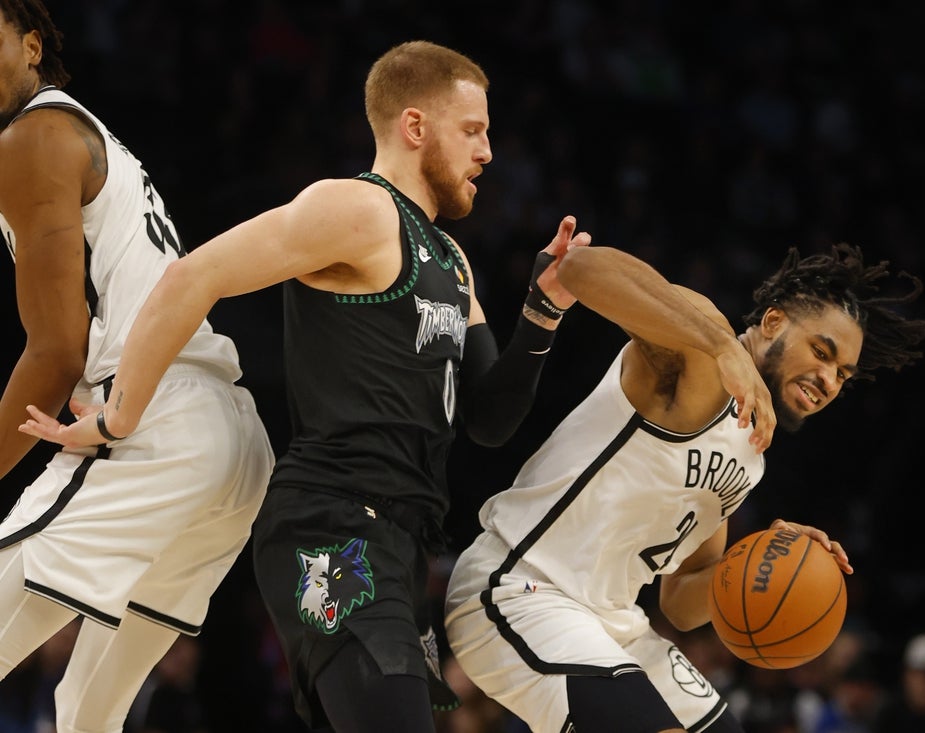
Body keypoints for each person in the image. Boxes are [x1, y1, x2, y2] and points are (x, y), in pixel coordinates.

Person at [18, 39, 590, 733]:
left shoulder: (451, 259)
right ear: (415, 126)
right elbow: (194, 275)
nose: (488, 152)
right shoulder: (358, 209)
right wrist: (119, 416)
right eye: (472, 130)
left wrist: (542, 311)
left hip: (402, 543)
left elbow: (490, 419)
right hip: (333, 526)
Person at [444, 243, 925, 733]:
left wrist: (761, 561)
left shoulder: (750, 454)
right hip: (520, 589)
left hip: (614, 624)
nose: (829, 380)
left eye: (842, 374)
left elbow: (681, 604)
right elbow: (580, 268)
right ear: (773, 323)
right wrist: (721, 345)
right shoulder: (702, 345)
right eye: (821, 352)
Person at [0, 2, 274, 731]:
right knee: (86, 716)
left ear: (32, 46)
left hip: (154, 416)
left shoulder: (32, 137)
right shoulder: (85, 136)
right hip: (232, 444)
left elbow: (55, 352)